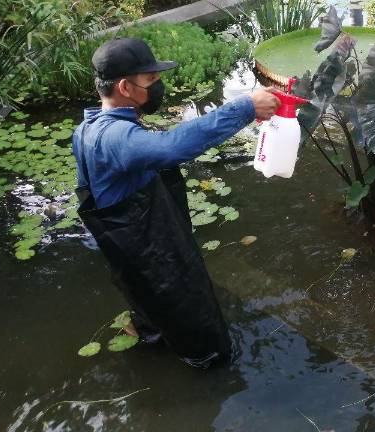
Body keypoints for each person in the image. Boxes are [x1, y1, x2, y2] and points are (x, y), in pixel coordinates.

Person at [72, 37, 281, 368]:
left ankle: (153, 342)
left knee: (150, 309)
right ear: (125, 87)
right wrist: (246, 107)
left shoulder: (88, 127)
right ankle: (211, 378)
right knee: (201, 335)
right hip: (154, 256)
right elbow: (170, 149)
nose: (159, 87)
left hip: (128, 250)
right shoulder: (116, 137)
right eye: (151, 81)